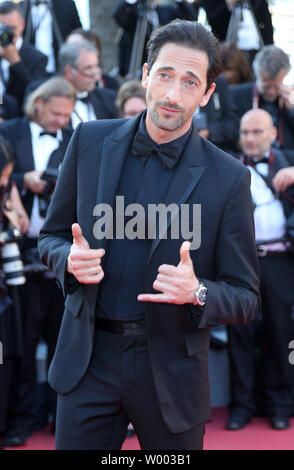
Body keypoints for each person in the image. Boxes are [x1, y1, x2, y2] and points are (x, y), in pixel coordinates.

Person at [38, 20, 260, 450]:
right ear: (144, 75)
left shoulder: (229, 178)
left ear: (208, 94)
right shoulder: (87, 141)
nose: (173, 95)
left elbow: (246, 296)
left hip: (171, 369)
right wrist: (66, 258)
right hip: (88, 360)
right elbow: (50, 237)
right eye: (164, 75)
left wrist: (196, 292)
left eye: (190, 82)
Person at [0, 77, 76, 447]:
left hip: (62, 253)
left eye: (67, 115)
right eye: (56, 113)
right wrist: (20, 179)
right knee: (24, 343)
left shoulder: (75, 136)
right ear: (39, 103)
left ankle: (63, 420)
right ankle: (22, 419)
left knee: (63, 341)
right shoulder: (11, 129)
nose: (61, 121)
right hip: (22, 254)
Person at [226, 108, 294, 431]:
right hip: (241, 264)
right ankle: (241, 407)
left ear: (273, 134)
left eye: (257, 132)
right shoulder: (227, 166)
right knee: (240, 335)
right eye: (245, 133)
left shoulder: (288, 160)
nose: (250, 139)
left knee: (280, 335)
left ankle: (281, 405)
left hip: (281, 260)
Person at [0, 136, 29, 446]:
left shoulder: (6, 189)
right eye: (2, 174)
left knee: (6, 355)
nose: (5, 181)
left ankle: (7, 422)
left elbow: (21, 224)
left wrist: (11, 223)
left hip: (6, 289)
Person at [231, 45, 294, 165]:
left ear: (284, 77)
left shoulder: (290, 97)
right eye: (265, 86)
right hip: (246, 159)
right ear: (257, 76)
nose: (271, 92)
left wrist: (291, 108)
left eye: (276, 86)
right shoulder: (237, 95)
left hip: (286, 161)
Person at [112, 0, 198, 77]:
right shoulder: (133, 11)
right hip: (135, 64)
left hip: (160, 63)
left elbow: (191, 18)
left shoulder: (166, 11)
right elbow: (117, 14)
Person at [58, 40, 118, 129]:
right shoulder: (50, 99)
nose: (95, 75)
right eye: (88, 68)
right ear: (69, 71)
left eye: (96, 66)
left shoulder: (108, 99)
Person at [0, 1, 48, 105]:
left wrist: (16, 62)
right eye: (2, 28)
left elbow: (35, 95)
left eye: (11, 28)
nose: (6, 34)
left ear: (22, 25)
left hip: (19, 116)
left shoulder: (38, 58)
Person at [21, 0, 82, 75]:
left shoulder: (67, 4)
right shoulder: (22, 6)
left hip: (60, 71)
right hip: (30, 72)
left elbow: (79, 35)